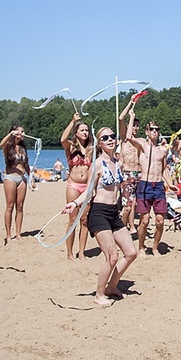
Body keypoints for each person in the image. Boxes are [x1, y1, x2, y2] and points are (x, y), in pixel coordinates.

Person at [62, 127, 138, 306]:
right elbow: (89, 191)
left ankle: (112, 286)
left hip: (114, 213)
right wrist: (74, 203)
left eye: (112, 136)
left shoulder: (117, 161)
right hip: (98, 213)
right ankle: (99, 294)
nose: (110, 139)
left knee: (131, 252)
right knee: (112, 256)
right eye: (105, 137)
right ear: (100, 143)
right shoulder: (97, 164)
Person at [126, 111, 176, 257]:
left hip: (158, 186)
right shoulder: (142, 144)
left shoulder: (163, 150)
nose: (154, 131)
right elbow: (129, 137)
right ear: (147, 131)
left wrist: (170, 183)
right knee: (145, 220)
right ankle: (141, 247)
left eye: (157, 129)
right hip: (145, 184)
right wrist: (132, 117)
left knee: (160, 221)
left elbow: (164, 169)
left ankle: (155, 247)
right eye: (152, 129)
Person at [60, 113, 93, 261]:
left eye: (87, 130)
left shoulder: (92, 149)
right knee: (72, 220)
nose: (85, 132)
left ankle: (82, 252)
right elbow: (62, 139)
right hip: (73, 185)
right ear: (76, 132)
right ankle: (69, 253)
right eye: (82, 130)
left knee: (84, 220)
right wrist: (73, 121)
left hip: (87, 186)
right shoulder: (71, 147)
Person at [0, 125, 32, 244]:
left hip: (22, 179)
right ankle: (8, 235)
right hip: (10, 178)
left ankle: (18, 233)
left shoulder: (23, 148)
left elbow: (26, 165)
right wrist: (11, 134)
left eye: (23, 132)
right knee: (9, 206)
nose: (22, 134)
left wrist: (31, 177)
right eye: (20, 132)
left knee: (20, 207)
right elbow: (1, 144)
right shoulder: (8, 147)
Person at [119, 101, 142, 233]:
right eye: (134, 126)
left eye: (137, 126)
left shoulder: (139, 141)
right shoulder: (124, 139)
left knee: (135, 203)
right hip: (127, 174)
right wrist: (131, 103)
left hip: (138, 174)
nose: (135, 128)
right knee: (127, 205)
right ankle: (122, 228)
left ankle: (132, 226)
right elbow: (121, 118)